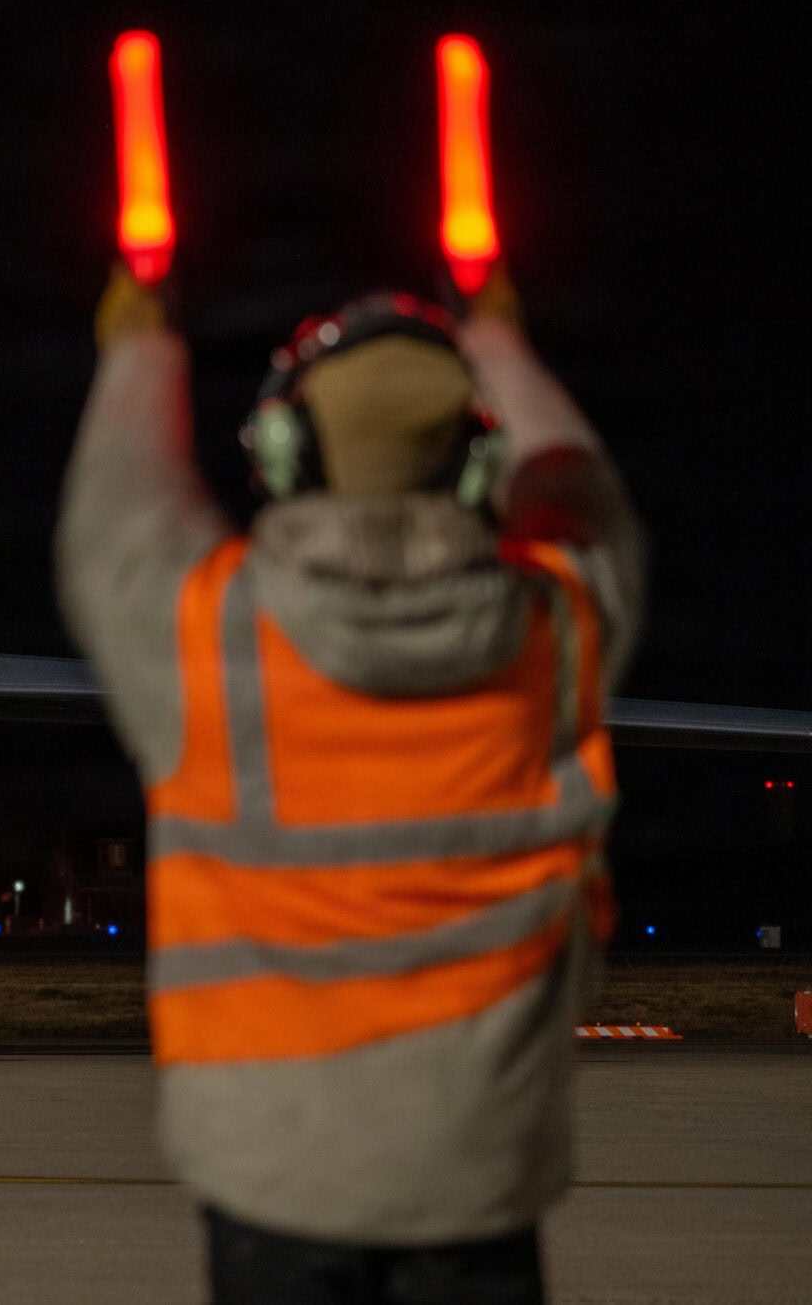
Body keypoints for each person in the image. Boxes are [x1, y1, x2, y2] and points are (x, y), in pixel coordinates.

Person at [57, 261, 643, 1304]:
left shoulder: (206, 638)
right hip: (479, 1176)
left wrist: (140, 346)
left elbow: (115, 507)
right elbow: (578, 489)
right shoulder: (555, 630)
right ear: (478, 460)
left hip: (273, 1180)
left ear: (284, 452)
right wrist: (502, 342)